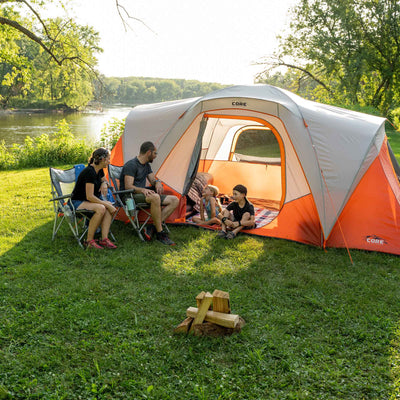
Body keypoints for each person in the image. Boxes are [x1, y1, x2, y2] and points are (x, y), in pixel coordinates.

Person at [120, 141, 179, 245]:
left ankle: (152, 226)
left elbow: (153, 180)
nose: (156, 156)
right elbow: (128, 186)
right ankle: (160, 233)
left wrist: (157, 183)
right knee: (155, 197)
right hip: (130, 196)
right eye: (155, 153)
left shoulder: (146, 165)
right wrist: (142, 190)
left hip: (143, 195)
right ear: (149, 152)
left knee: (174, 200)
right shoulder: (131, 165)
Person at [71, 147, 117, 249]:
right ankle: (89, 241)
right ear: (102, 159)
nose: (109, 162)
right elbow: (90, 196)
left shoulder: (99, 170)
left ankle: (104, 239)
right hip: (78, 202)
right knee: (102, 207)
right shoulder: (90, 172)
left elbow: (105, 181)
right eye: (108, 159)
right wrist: (105, 203)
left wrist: (104, 184)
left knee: (108, 206)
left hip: (88, 201)